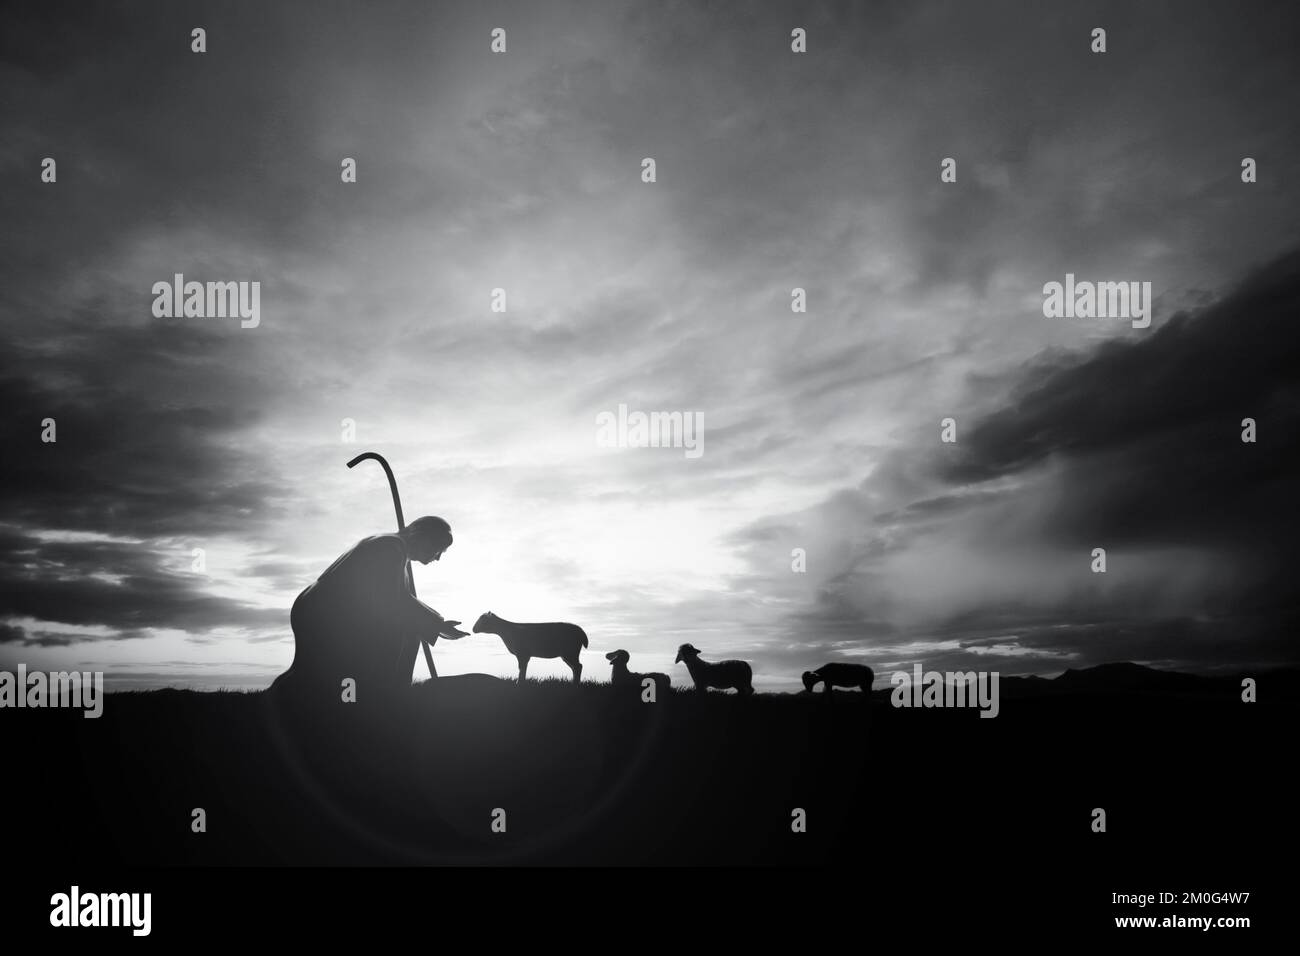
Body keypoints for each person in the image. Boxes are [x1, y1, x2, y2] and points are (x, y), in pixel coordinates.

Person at [270, 516, 466, 702]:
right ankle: (387, 695)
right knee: (403, 632)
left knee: (311, 670)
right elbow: (393, 600)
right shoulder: (390, 547)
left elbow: (398, 600)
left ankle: (386, 694)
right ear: (422, 537)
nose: (438, 557)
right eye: (437, 548)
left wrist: (436, 624)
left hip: (327, 612)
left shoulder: (395, 549)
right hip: (325, 614)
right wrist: (437, 624)